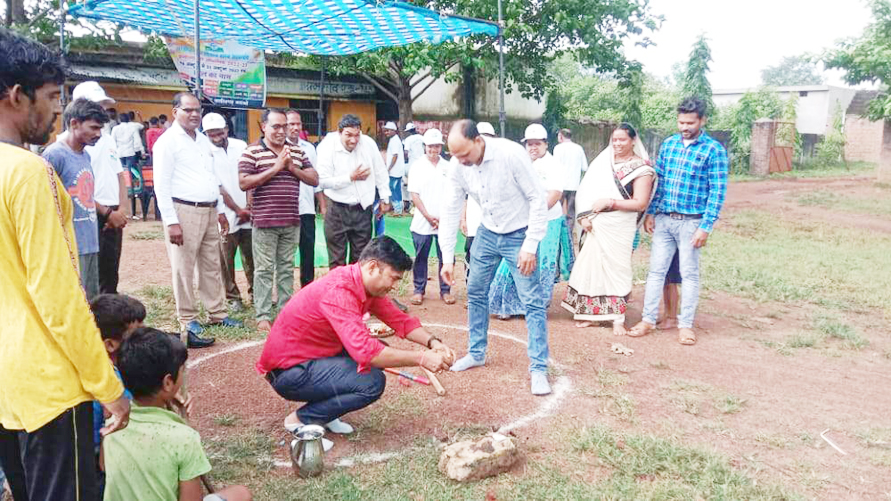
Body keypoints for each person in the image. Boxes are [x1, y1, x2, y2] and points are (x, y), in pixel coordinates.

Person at [0, 28, 130, 501]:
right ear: (17, 96)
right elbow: (58, 295)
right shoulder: (29, 172)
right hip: (50, 387)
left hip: (8, 383)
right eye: (53, 97)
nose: (59, 109)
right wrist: (106, 383)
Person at [256, 237, 456, 450]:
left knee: (381, 350)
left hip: (310, 358)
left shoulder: (362, 284)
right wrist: (422, 358)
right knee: (371, 382)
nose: (394, 286)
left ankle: (326, 413)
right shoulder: (340, 291)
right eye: (393, 278)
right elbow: (366, 354)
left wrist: (433, 342)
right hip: (288, 372)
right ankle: (302, 420)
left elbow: (400, 320)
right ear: (372, 267)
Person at [438, 120, 552, 395]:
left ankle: (538, 368)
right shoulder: (458, 165)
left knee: (532, 301)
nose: (460, 161)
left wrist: (530, 244)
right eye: (455, 156)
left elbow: (538, 198)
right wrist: (447, 257)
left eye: (464, 154)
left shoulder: (511, 154)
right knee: (475, 291)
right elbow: (451, 207)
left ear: (478, 141)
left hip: (519, 234)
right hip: (487, 233)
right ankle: (476, 353)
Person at [104, 328, 252, 501]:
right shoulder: (184, 438)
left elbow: (105, 468)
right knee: (241, 494)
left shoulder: (112, 425)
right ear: (167, 382)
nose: (182, 375)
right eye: (182, 370)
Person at [630, 97, 729, 345]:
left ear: (702, 120)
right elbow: (659, 181)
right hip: (664, 219)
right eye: (681, 122)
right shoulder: (669, 145)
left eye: (690, 122)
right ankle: (648, 319)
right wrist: (651, 212)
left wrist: (705, 227)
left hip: (691, 223)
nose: (684, 126)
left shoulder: (713, 150)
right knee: (656, 272)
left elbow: (717, 191)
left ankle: (685, 325)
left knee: (689, 274)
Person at [154, 92, 242, 347]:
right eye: (188, 110)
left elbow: (212, 178)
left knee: (212, 263)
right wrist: (171, 221)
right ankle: (187, 318)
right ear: (175, 112)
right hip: (184, 210)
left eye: (197, 110)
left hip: (209, 208)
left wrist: (221, 209)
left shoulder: (202, 141)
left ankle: (217, 313)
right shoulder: (167, 143)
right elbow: (161, 185)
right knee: (183, 266)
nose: (194, 114)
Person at [561, 123, 657, 335]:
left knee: (617, 270)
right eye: (614, 139)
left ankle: (617, 318)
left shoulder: (642, 169)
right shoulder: (604, 164)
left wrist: (610, 202)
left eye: (622, 139)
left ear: (633, 141)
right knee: (591, 268)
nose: (617, 144)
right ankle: (592, 315)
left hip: (620, 226)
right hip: (595, 223)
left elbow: (640, 203)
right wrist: (585, 216)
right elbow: (586, 192)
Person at [239, 109, 319, 332]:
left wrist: (292, 168)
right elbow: (244, 183)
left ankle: (285, 312)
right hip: (264, 222)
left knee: (285, 268)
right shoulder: (252, 151)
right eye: (276, 126)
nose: (281, 131)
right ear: (263, 126)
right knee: (264, 269)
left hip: (291, 220)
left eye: (284, 126)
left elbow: (314, 179)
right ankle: (263, 314)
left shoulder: (296, 151)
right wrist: (276, 168)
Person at [488, 123, 569, 320]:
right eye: (529, 144)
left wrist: (536, 215)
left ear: (545, 144)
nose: (533, 147)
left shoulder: (553, 164)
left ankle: (533, 307)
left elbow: (555, 193)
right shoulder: (520, 161)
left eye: (537, 144)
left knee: (541, 263)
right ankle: (507, 305)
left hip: (548, 221)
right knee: (514, 262)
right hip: (521, 222)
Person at [64, 81, 129, 294]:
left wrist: (121, 210)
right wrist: (107, 212)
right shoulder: (69, 146)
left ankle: (108, 322)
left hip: (113, 213)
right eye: (95, 105)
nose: (101, 110)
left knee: (110, 273)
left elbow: (119, 175)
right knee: (88, 274)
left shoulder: (107, 139)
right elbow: (76, 187)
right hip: (90, 213)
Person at [43, 98, 109, 299]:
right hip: (68, 246)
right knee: (71, 301)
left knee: (89, 301)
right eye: (94, 128)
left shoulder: (85, 156)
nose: (98, 134)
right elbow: (46, 204)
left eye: (100, 128)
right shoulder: (55, 156)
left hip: (89, 241)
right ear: (74, 124)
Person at [316, 114, 392, 268]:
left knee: (360, 259)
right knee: (337, 260)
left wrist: (385, 198)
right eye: (348, 135)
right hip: (337, 209)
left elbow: (380, 171)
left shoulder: (368, 144)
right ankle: (340, 292)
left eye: (357, 135)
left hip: (362, 209)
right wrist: (350, 177)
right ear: (339, 132)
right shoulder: (327, 146)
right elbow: (322, 181)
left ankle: (356, 292)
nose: (353, 140)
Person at [204, 113, 253, 312]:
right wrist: (237, 210)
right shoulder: (204, 151)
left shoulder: (240, 146)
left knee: (252, 257)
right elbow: (218, 187)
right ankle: (233, 297)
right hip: (223, 213)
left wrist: (248, 206)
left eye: (219, 131)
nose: (216, 136)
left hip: (248, 212)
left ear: (226, 129)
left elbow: (250, 175)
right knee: (225, 260)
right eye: (211, 133)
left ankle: (255, 294)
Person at [408, 128, 454, 306]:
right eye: (430, 146)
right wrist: (428, 216)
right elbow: (414, 194)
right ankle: (419, 289)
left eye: (437, 146)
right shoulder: (417, 166)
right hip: (422, 221)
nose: (433, 150)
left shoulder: (448, 167)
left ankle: (446, 290)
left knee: (446, 256)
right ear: (424, 146)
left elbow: (452, 195)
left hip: (444, 221)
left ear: (441, 147)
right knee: (421, 256)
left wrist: (444, 217)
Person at [286, 109, 322, 288]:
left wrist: (322, 204)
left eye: (297, 124)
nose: (294, 127)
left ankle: (307, 290)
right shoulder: (277, 148)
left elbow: (317, 180)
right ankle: (283, 294)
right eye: (291, 124)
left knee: (308, 253)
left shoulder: (309, 148)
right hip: (284, 211)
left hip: (306, 209)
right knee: (284, 255)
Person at [553, 128, 588, 236]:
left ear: (561, 136)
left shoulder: (558, 148)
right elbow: (585, 167)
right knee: (571, 211)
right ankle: (568, 233)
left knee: (556, 209)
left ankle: (556, 231)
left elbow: (554, 166)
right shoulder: (579, 148)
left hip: (560, 185)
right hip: (574, 185)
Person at [383, 121, 405, 215]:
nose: (386, 133)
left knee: (394, 188)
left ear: (393, 131)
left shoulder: (395, 141)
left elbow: (395, 156)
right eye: (386, 131)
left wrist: (389, 168)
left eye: (388, 131)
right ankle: (398, 208)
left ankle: (398, 210)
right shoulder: (393, 140)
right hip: (395, 170)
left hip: (395, 171)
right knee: (395, 189)